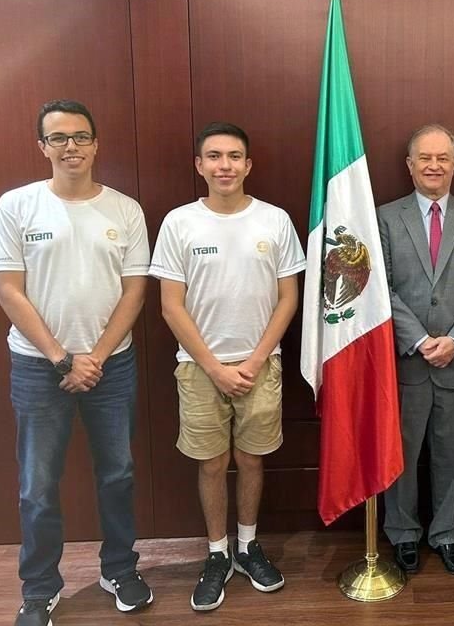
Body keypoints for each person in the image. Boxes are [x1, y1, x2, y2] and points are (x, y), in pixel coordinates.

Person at [0, 99, 153, 626]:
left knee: (118, 474)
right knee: (37, 484)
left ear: (96, 144)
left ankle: (119, 569)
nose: (71, 147)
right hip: (39, 368)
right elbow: (10, 291)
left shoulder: (125, 209)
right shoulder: (16, 206)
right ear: (42, 147)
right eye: (58, 139)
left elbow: (134, 293)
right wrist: (63, 360)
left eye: (80, 137)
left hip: (111, 366)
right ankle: (39, 589)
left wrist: (95, 359)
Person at [150, 122, 306, 611]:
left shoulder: (275, 220)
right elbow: (171, 306)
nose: (225, 166)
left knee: (253, 458)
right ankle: (217, 553)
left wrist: (257, 359)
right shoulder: (179, 223)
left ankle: (248, 546)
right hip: (199, 369)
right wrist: (215, 367)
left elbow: (288, 298)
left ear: (248, 165)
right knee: (212, 462)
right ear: (199, 165)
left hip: (262, 365)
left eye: (234, 157)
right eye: (214, 157)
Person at [378, 124, 454, 575]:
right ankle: (403, 533)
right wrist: (422, 339)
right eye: (424, 158)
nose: (433, 166)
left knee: (452, 452)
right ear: (409, 165)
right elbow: (380, 287)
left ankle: (447, 532)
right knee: (402, 454)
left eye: (442, 158)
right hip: (407, 359)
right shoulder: (385, 218)